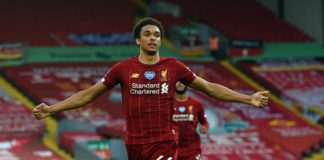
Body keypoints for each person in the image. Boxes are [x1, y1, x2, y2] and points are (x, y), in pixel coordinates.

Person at [33, 17, 269, 160]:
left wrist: (248, 99)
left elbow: (209, 88)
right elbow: (88, 95)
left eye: (157, 35)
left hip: (163, 141)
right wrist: (53, 109)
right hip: (134, 144)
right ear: (138, 40)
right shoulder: (122, 69)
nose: (153, 38)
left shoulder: (174, 66)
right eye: (147, 34)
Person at [173, 82, 209, 160]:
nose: (180, 84)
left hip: (191, 149)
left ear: (188, 85)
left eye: (183, 82)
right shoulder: (166, 103)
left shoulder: (197, 104)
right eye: (177, 82)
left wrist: (204, 128)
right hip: (172, 149)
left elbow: (204, 122)